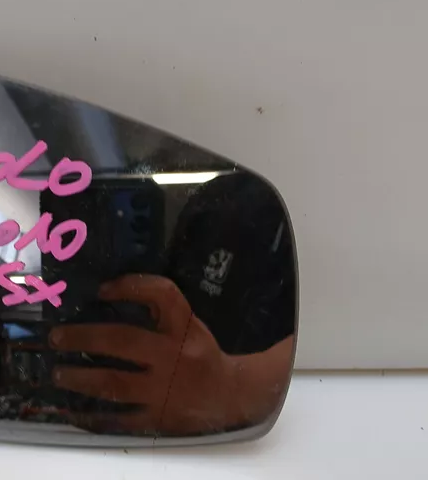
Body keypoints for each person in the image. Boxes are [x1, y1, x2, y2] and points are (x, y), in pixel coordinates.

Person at [48, 173, 296, 436]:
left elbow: (321, 340)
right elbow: (173, 304)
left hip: (248, 434)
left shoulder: (245, 201)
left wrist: (231, 387)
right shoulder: (218, 200)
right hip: (162, 424)